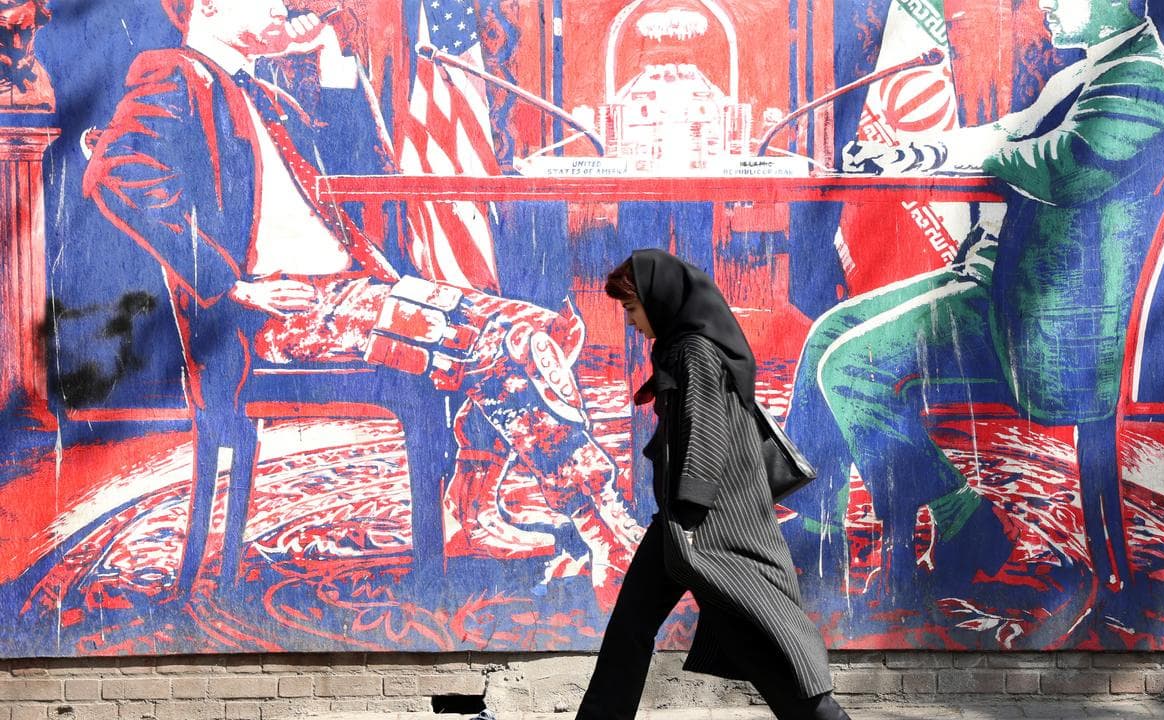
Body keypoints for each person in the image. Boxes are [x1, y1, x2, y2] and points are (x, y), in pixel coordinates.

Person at [83, 0, 638, 604]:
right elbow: (117, 171)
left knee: (546, 329)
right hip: (281, 315)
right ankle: (602, 525)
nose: (290, 5)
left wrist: (327, 52)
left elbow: (364, 165)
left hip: (352, 295)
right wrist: (227, 283)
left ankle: (472, 504)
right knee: (503, 339)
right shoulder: (172, 71)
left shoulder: (265, 93)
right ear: (209, 5)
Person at [787, 0, 1164, 605]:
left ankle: (962, 520)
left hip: (1043, 324)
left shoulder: (1145, 78)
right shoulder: (1088, 70)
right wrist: (913, 155)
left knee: (848, 367)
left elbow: (1066, 168)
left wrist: (995, 156)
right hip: (1000, 284)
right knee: (825, 335)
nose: (1046, 4)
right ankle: (818, 536)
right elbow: (1009, 134)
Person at [576, 249, 848, 720]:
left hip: (708, 526)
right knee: (632, 628)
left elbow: (706, 428)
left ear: (658, 299)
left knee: (753, 642)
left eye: (631, 308)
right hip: (685, 523)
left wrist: (690, 507)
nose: (631, 321)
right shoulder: (685, 345)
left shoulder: (694, 350)